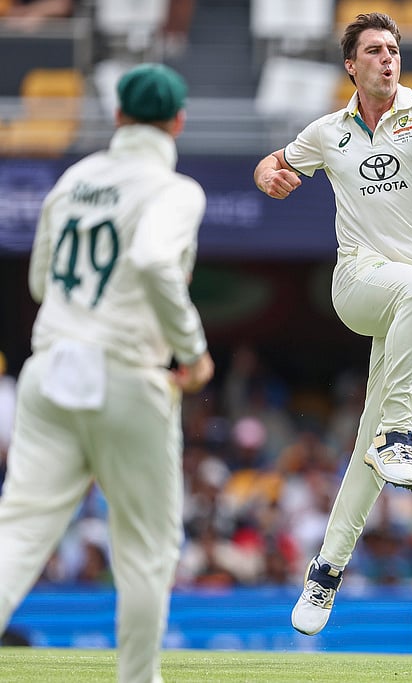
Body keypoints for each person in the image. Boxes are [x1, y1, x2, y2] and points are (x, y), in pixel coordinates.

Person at [252, 11, 412, 636]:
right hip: (360, 283)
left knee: (369, 445)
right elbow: (272, 162)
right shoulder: (328, 131)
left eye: (393, 50)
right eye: (373, 50)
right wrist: (270, 175)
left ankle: (326, 572)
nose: (387, 59)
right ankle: (399, 432)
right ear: (351, 64)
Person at [0, 63, 214, 683]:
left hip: (50, 368)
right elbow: (152, 260)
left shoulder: (73, 179)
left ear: (117, 116)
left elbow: (42, 281)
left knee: (18, 536)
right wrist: (192, 351)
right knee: (145, 551)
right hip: (124, 372)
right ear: (178, 121)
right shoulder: (177, 190)